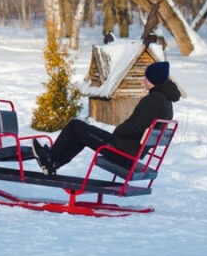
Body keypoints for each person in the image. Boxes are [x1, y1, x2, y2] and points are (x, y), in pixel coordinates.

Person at [32, 61, 181, 175]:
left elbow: (139, 128)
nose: (144, 80)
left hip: (124, 152)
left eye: (147, 78)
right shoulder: (165, 101)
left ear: (154, 80)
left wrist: (119, 130)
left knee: (75, 126)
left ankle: (50, 159)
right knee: (81, 133)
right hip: (130, 151)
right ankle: (53, 162)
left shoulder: (155, 100)